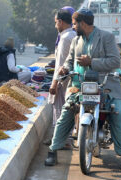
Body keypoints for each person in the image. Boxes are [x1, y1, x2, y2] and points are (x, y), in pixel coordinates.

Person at [44, 8, 121, 170]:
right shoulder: (75, 41)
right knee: (66, 113)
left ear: (83, 23)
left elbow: (114, 61)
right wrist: (64, 69)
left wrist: (92, 62)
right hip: (79, 85)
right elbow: (70, 61)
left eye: (75, 23)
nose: (73, 26)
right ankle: (52, 151)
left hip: (106, 85)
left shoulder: (107, 37)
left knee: (117, 115)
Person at [45, 7, 76, 147]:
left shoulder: (65, 38)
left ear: (61, 22)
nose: (55, 25)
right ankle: (65, 139)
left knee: (60, 110)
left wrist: (54, 84)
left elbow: (61, 64)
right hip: (71, 79)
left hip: (63, 81)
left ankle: (61, 141)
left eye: (56, 22)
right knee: (67, 111)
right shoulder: (72, 35)